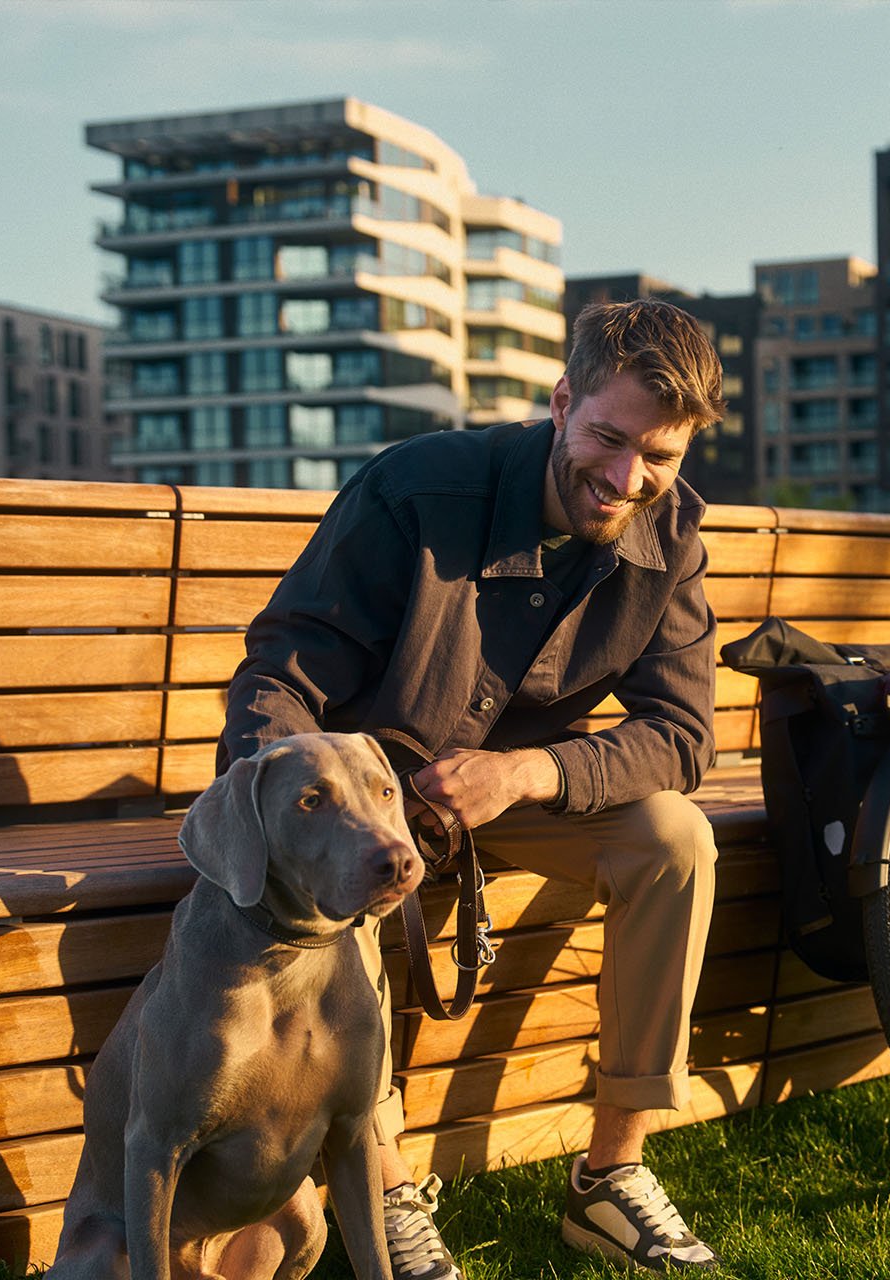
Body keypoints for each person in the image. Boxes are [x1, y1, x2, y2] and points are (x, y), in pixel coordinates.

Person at [219, 298, 727, 1276]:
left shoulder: (673, 539)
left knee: (676, 839)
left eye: (659, 456)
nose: (626, 479)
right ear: (562, 398)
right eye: (607, 438)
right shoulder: (419, 490)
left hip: (520, 801)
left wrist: (533, 771)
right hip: (376, 802)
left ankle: (611, 1174)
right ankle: (387, 1189)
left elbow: (682, 733)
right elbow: (283, 672)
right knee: (347, 873)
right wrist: (295, 811)